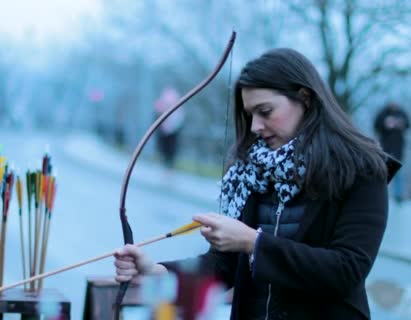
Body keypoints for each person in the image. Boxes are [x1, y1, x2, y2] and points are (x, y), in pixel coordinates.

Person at [114, 48, 394, 319]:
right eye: (250, 115)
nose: (255, 127)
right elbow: (223, 268)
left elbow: (347, 270)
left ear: (305, 98)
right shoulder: (252, 170)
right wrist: (154, 272)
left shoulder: (360, 169)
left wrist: (253, 242)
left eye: (265, 111)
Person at [374, 103, 410, 202]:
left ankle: (398, 196)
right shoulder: (383, 114)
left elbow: (408, 125)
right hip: (385, 147)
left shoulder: (401, 113)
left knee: (398, 173)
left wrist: (401, 124)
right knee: (384, 172)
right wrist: (385, 124)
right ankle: (381, 194)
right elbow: (376, 125)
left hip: (398, 148)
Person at [154, 87, 185, 171]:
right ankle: (165, 166)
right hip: (164, 132)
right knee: (164, 148)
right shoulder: (163, 105)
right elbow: (158, 110)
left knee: (170, 150)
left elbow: (179, 119)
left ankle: (169, 167)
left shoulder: (177, 110)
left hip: (172, 132)